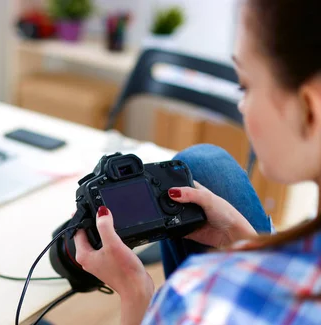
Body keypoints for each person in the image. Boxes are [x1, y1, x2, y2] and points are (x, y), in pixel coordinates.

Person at [73, 0, 321, 323]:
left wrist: (137, 292)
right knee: (203, 165)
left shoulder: (200, 294)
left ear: (309, 109)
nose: (242, 107)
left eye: (245, 85)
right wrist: (241, 236)